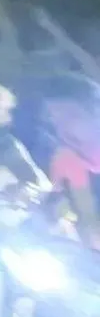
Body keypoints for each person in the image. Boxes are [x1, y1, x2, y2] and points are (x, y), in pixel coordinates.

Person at [43, 73, 100, 250]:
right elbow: (87, 219)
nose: (63, 128)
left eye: (71, 117)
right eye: (56, 120)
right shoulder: (66, 160)